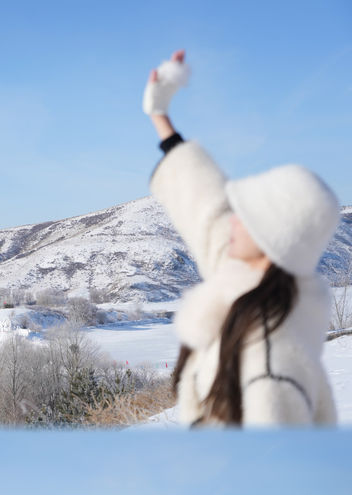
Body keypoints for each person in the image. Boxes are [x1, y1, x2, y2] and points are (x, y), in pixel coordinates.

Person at [143, 50, 340, 427]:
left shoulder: (272, 368)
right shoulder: (255, 281)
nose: (232, 223)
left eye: (245, 217)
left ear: (273, 240)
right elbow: (205, 201)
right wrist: (159, 114)